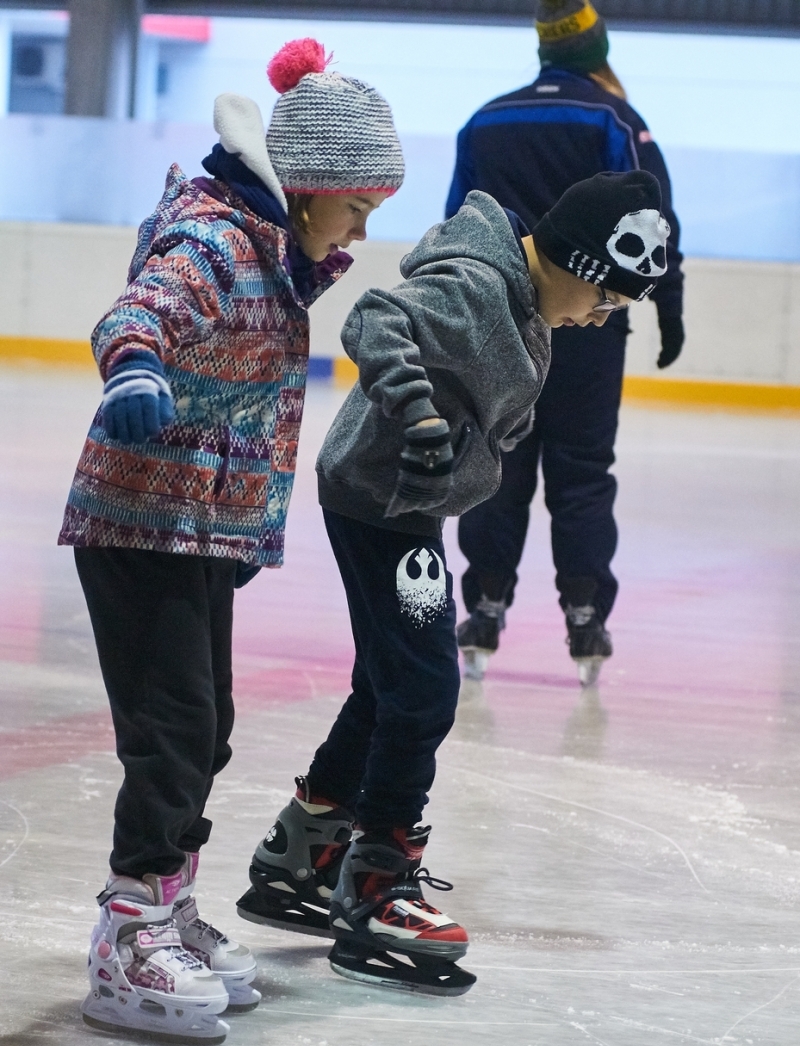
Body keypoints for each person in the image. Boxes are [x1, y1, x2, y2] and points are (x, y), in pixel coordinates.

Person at [237, 169, 670, 996]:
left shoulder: (521, 295)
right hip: (384, 503)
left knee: (392, 682)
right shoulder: (477, 287)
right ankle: (376, 886)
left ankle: (304, 848)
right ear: (578, 260)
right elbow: (374, 319)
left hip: (400, 501)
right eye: (607, 300)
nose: (601, 317)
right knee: (427, 687)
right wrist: (419, 412)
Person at [57, 38, 404, 1046]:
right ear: (306, 189)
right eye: (358, 205)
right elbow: (141, 310)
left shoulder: (277, 253)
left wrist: (244, 525)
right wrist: (132, 368)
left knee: (204, 728)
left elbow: (250, 411)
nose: (362, 227)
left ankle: (166, 903)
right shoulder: (217, 239)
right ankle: (127, 928)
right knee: (171, 728)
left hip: (196, 525)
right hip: (140, 518)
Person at [446, 0, 684, 686]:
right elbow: (654, 226)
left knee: (499, 461)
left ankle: (484, 608)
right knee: (582, 471)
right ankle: (585, 614)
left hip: (501, 317)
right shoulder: (616, 119)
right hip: (591, 324)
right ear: (595, 47)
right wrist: (669, 305)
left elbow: (461, 221)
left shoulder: (485, 121)